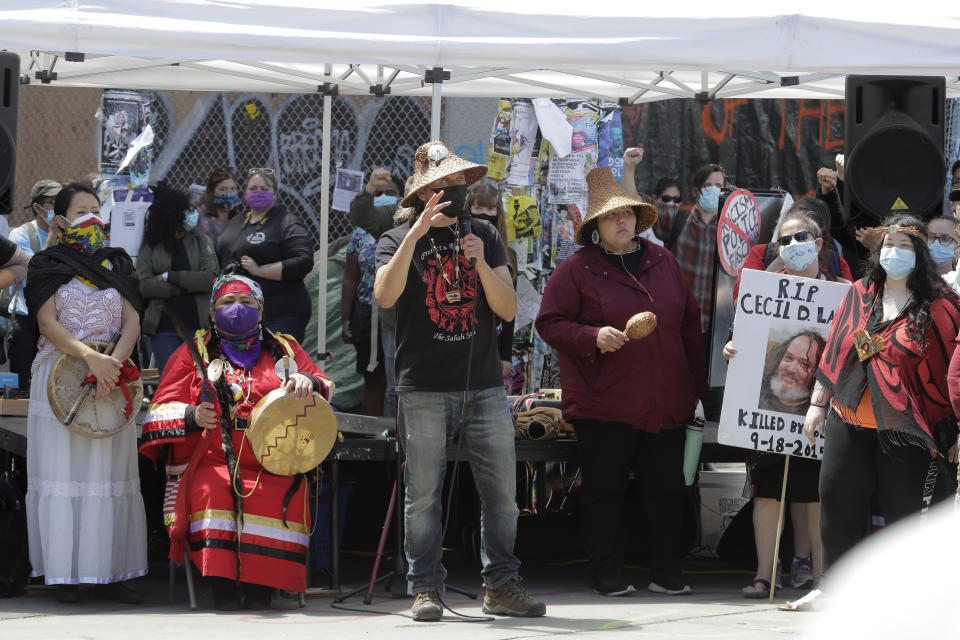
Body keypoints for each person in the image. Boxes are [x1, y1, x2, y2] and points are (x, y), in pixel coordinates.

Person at [374, 141, 545, 621]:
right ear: (422, 191)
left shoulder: (486, 235)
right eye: (442, 185)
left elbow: (509, 309)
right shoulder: (397, 238)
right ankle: (425, 587)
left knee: (503, 493)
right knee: (424, 493)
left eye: (457, 184)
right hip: (423, 386)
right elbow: (385, 298)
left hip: (485, 385)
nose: (454, 192)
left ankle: (502, 585)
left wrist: (480, 264)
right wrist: (416, 234)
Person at [536, 166, 706, 597]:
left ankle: (666, 572)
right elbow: (550, 324)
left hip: (665, 403)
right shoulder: (576, 270)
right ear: (596, 225)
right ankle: (608, 573)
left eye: (627, 213)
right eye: (612, 216)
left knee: (666, 492)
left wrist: (694, 386)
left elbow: (689, 324)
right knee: (605, 493)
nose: (621, 221)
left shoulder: (662, 261)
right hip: (604, 405)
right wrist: (592, 336)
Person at [140, 275, 334, 610]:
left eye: (246, 303)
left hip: (274, 460)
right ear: (212, 312)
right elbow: (156, 412)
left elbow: (325, 385)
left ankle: (261, 589)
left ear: (260, 311)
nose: (236, 310)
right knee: (213, 488)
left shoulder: (285, 348)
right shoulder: (193, 350)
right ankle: (223, 589)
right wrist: (192, 415)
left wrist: (307, 380)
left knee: (283, 492)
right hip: (212, 460)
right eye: (227, 303)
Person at [803, 216, 960, 604]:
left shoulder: (941, 305)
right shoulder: (859, 293)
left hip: (908, 429)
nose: (895, 252)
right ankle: (833, 590)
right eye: (889, 244)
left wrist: (954, 432)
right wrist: (816, 405)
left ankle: (903, 599)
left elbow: (947, 376)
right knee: (837, 501)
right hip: (849, 417)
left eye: (905, 246)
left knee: (904, 517)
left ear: (919, 254)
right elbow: (837, 348)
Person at [23, 182, 147, 603]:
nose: (92, 216)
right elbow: (47, 323)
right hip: (61, 378)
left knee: (111, 474)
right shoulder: (46, 263)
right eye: (81, 210)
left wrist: (112, 365)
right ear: (61, 219)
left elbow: (132, 320)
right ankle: (66, 574)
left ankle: (112, 572)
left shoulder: (117, 263)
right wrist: (89, 361)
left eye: (97, 208)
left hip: (111, 379)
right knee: (66, 473)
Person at [725, 210, 848, 598]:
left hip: (821, 415)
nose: (792, 246)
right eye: (784, 240)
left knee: (813, 497)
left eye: (801, 238)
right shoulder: (759, 291)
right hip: (765, 420)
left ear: (818, 243)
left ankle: (821, 579)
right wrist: (733, 348)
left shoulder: (843, 292)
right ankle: (765, 575)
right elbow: (739, 338)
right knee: (767, 494)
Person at [623, 148, 724, 418]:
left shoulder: (729, 231)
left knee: (713, 401)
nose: (714, 191)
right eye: (709, 186)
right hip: (678, 326)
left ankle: (704, 459)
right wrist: (630, 168)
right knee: (672, 396)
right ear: (696, 191)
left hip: (713, 333)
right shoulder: (677, 218)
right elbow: (635, 205)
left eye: (719, 186)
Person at [216, 168, 314, 342]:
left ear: (275, 193)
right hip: (239, 314)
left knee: (275, 366)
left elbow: (303, 261)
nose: (258, 193)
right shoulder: (236, 221)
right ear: (245, 191)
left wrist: (260, 270)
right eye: (253, 189)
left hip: (281, 312)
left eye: (265, 189)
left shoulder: (286, 222)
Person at [136, 181, 219, 373]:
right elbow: (144, 285)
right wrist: (184, 287)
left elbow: (211, 279)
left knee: (201, 380)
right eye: (187, 209)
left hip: (198, 326)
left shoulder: (201, 242)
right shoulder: (151, 245)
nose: (192, 213)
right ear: (172, 214)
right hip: (163, 328)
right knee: (172, 379)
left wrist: (168, 276)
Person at [731, 197, 853, 300]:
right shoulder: (761, 254)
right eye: (786, 239)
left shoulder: (837, 265)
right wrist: (781, 259)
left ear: (819, 240)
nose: (794, 243)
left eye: (801, 236)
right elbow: (740, 303)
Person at [5, 180, 59, 389]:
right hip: (27, 318)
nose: (58, 207)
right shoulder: (21, 235)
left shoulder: (72, 235)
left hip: (58, 320)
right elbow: (35, 271)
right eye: (52, 202)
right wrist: (53, 236)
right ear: (37, 207)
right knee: (23, 384)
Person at [465, 182, 517, 379]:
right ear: (468, 208)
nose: (484, 214)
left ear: (498, 213)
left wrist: (505, 355)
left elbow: (510, 310)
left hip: (492, 339)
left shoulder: (508, 255)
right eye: (478, 208)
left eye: (490, 209)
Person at [341, 224, 386, 416]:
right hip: (368, 314)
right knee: (374, 378)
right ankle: (373, 439)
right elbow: (351, 277)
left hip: (404, 314)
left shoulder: (414, 226)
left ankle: (402, 436)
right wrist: (346, 319)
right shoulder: (361, 233)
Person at [349, 167, 403, 240]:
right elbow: (360, 213)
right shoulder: (379, 219)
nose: (383, 196)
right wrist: (371, 186)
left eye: (390, 192)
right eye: (378, 193)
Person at [196, 167, 243, 244]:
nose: (229, 194)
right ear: (212, 192)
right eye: (223, 189)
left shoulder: (239, 219)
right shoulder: (200, 218)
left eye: (232, 188)